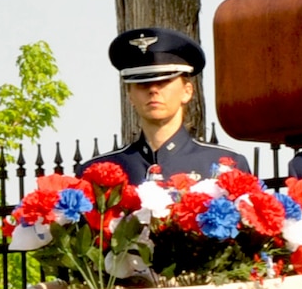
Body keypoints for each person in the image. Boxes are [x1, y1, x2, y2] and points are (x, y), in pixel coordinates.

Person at [84, 28, 251, 183]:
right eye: (142, 84)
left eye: (164, 81)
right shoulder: (98, 172)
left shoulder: (227, 166)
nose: (153, 90)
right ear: (130, 96)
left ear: (187, 91)